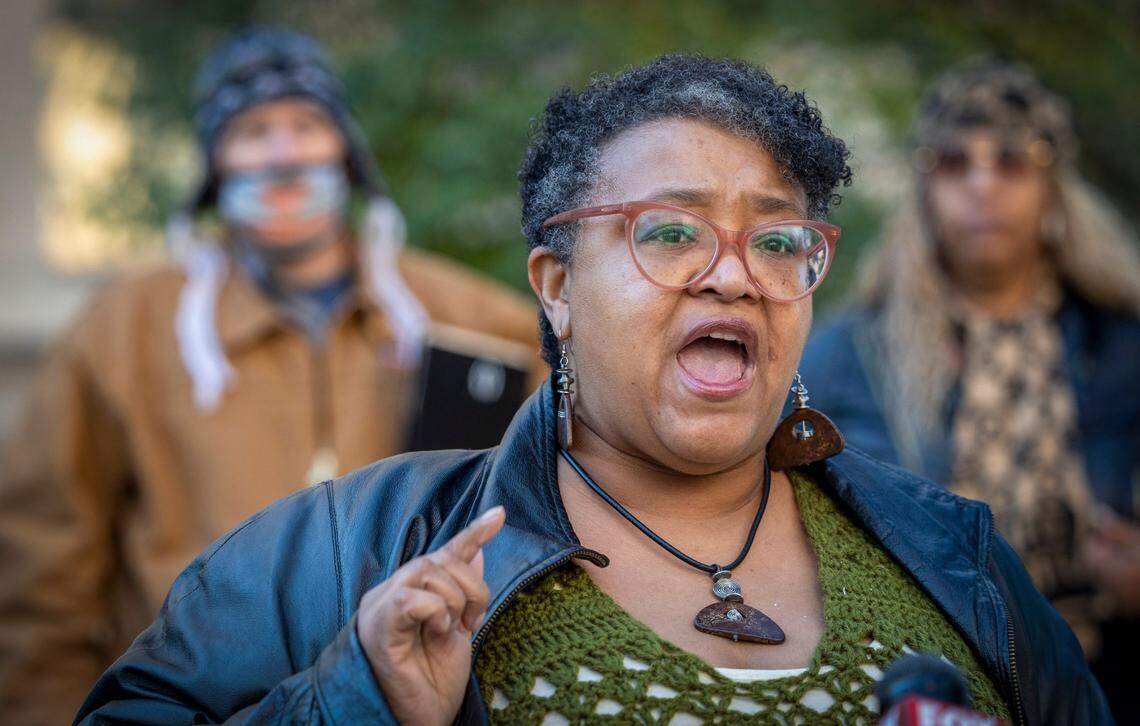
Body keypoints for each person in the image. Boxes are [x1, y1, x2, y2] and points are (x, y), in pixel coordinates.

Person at [77, 54, 1109, 725]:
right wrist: (362, 701)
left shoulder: (957, 560)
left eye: (778, 237)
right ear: (557, 287)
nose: (731, 271)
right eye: (670, 229)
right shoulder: (351, 548)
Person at [0, 27, 543, 723]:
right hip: (201, 703)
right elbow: (41, 574)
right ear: (214, 165)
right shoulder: (123, 330)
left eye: (307, 126)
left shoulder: (472, 317)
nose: (284, 155)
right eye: (253, 131)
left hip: (418, 695)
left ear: (345, 152)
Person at [800, 60, 1140, 720]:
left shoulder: (1124, 346)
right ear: (925, 189)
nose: (983, 185)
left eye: (1012, 160)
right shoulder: (848, 357)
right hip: (932, 686)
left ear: (1052, 188)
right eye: (955, 163)